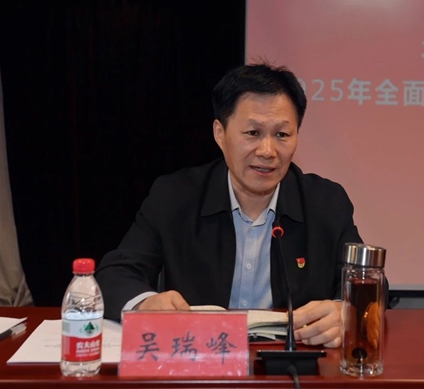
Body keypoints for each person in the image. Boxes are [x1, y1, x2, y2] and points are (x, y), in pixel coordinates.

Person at [96, 63, 364, 348]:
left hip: (290, 359)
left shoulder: (325, 203)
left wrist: (344, 310)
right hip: (201, 357)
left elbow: (367, 281)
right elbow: (115, 274)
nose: (267, 151)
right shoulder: (175, 196)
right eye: (253, 133)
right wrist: (146, 304)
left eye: (282, 135)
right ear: (220, 133)